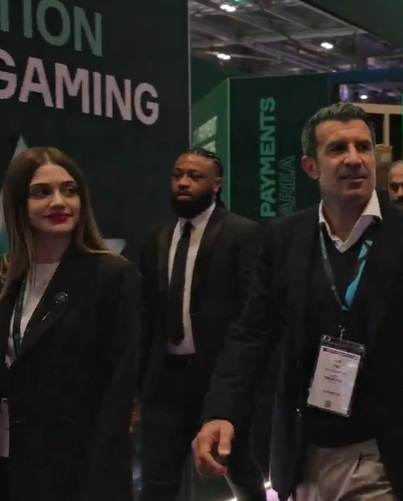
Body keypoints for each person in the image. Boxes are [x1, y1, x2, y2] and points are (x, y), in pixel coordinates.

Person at [192, 102, 403, 501]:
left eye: (363, 147)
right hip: (304, 454)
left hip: (384, 455)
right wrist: (221, 411)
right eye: (338, 148)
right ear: (310, 166)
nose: (354, 159)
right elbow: (252, 333)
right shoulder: (284, 238)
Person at [0, 147, 141, 499]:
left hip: (83, 472)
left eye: (69, 190)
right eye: (41, 192)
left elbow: (120, 386)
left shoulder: (112, 275)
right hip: (16, 467)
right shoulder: (9, 282)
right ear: (18, 204)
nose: (59, 202)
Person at [138, 148, 265, 501]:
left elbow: (253, 315)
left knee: (240, 471)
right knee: (157, 480)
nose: (183, 182)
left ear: (217, 184)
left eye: (195, 177)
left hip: (218, 380)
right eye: (178, 175)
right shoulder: (158, 236)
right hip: (166, 380)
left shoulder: (242, 233)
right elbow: (145, 314)